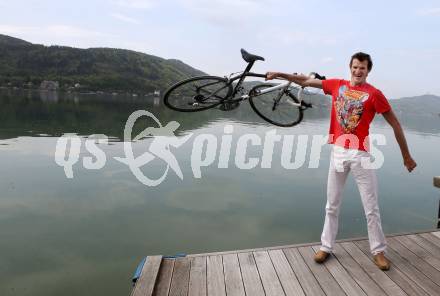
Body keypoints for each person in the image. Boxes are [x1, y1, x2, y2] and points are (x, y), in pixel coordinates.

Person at [265, 52, 417, 270]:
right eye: (355, 67)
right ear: (350, 67)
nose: (358, 71)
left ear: (368, 70)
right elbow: (306, 81)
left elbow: (395, 124)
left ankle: (379, 251)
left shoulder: (375, 94)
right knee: (331, 205)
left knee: (371, 207)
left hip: (361, 155)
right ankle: (326, 247)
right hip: (338, 151)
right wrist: (280, 73)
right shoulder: (337, 85)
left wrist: (406, 155)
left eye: (362, 68)